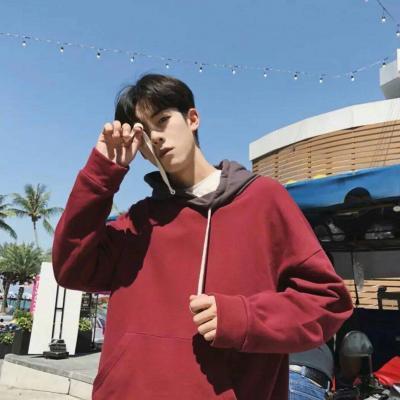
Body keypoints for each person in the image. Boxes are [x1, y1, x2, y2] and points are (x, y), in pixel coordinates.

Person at [52, 73, 353, 400]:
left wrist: (245, 318)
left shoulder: (262, 200)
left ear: (192, 118)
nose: (156, 137)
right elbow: (71, 268)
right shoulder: (138, 222)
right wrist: (101, 174)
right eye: (144, 134)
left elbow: (327, 301)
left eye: (163, 120)